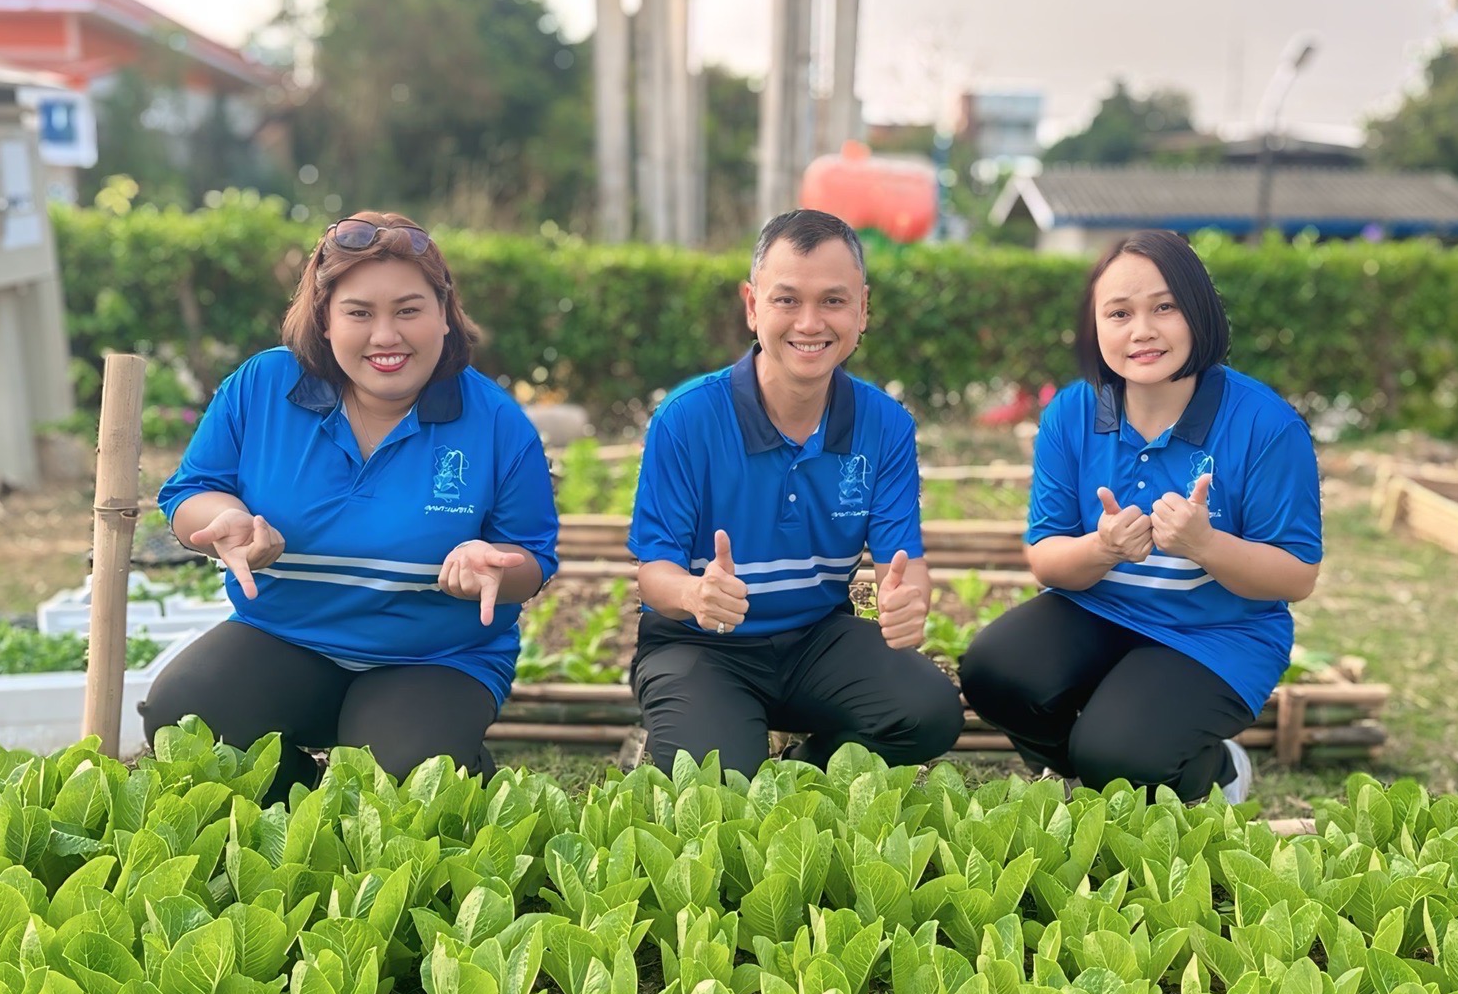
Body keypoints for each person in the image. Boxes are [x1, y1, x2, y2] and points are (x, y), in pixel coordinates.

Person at [143, 212, 559, 794]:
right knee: (184, 718)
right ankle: (293, 797)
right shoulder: (262, 387)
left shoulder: (494, 421)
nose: (385, 336)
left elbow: (534, 558)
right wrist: (224, 520)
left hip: (432, 656)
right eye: (359, 313)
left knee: (407, 778)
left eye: (408, 310)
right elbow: (190, 492)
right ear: (325, 318)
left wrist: (495, 566)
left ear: (444, 315)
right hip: (285, 637)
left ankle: (451, 763)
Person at [959, 229, 1321, 801]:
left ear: (1198, 312)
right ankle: (1088, 771)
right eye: (1119, 313)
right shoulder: (1074, 413)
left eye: (1165, 307)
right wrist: (1100, 548)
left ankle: (1217, 770)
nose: (1142, 330)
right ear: (1094, 326)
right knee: (992, 670)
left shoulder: (1266, 425)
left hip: (1215, 635)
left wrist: (1207, 545)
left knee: (1119, 752)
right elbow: (1046, 559)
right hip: (1099, 610)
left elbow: (1297, 576)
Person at [627, 207, 963, 776]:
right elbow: (653, 573)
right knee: (716, 784)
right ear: (753, 306)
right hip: (701, 646)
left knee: (928, 711)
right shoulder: (687, 417)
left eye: (833, 301)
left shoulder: (885, 425)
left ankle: (805, 767)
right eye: (787, 300)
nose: (810, 323)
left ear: (863, 309)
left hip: (817, 640)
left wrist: (908, 604)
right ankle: (728, 736)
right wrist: (694, 596)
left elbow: (901, 564)